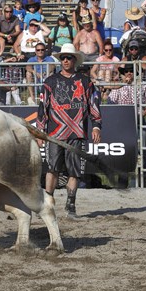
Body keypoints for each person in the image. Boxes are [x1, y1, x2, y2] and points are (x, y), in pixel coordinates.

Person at [37, 43, 102, 218]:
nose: (66, 60)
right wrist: (40, 131)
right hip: (54, 134)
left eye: (69, 57)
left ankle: (70, 205)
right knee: (52, 169)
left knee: (74, 171)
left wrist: (96, 125)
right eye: (63, 58)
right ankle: (48, 205)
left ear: (75, 60)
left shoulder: (85, 82)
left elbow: (94, 105)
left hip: (77, 133)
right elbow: (42, 107)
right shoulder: (50, 82)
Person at [106, 66, 146, 186]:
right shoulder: (118, 86)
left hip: (137, 121)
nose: (128, 73)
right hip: (122, 123)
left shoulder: (143, 85)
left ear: (135, 73)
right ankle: (123, 181)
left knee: (140, 151)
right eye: (126, 71)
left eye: (131, 71)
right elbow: (110, 102)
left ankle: (140, 181)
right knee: (123, 152)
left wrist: (140, 115)